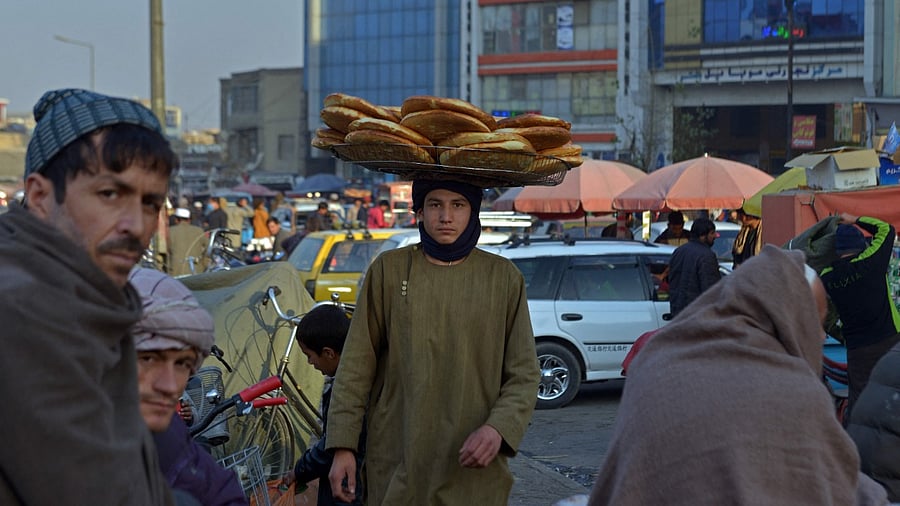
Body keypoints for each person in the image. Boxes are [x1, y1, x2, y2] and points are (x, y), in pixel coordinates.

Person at [588, 246, 889, 505]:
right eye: (815, 321)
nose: (821, 335)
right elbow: (825, 482)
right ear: (789, 317)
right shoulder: (794, 391)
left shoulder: (656, 357)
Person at [0, 88, 176, 504]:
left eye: (151, 203)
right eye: (110, 194)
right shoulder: (27, 310)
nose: (135, 225)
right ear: (41, 197)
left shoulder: (89, 298)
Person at [326, 179, 540, 505]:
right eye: (435, 204)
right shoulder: (388, 271)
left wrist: (497, 429)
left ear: (474, 212)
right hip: (397, 459)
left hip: (472, 467)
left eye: (458, 205)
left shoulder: (504, 278)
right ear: (420, 212)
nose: (446, 216)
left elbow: (524, 374)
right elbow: (356, 367)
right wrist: (343, 447)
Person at [129, 268, 248, 506]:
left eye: (183, 363)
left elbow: (221, 490)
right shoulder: (60, 439)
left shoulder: (168, 433)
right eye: (149, 359)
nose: (171, 386)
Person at [283, 304, 364, 505]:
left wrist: (300, 470)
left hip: (349, 489)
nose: (311, 363)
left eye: (309, 355)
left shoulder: (345, 392)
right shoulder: (361, 377)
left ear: (329, 353)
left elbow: (331, 445)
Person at [820, 213, 900, 417]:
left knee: (861, 404)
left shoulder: (828, 277)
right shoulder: (872, 261)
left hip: (858, 351)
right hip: (891, 341)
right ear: (860, 245)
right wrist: (855, 219)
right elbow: (886, 229)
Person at [666, 217, 721, 317]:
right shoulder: (707, 256)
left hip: (678, 313)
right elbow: (711, 289)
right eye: (712, 233)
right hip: (698, 315)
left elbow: (672, 281)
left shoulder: (679, 251)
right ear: (703, 235)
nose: (715, 236)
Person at [168, 207, 207, 276]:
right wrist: (204, 263)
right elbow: (208, 248)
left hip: (176, 271)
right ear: (189, 220)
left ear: (176, 220)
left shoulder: (170, 231)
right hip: (196, 270)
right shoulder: (199, 231)